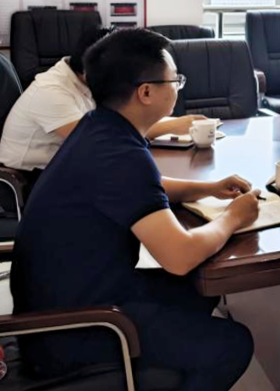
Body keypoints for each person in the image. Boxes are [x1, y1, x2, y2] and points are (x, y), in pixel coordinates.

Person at [11, 28, 259, 390]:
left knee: (197, 290)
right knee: (232, 345)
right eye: (175, 80)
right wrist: (233, 218)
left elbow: (140, 186)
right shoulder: (119, 152)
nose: (178, 87)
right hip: (74, 328)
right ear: (146, 92)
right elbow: (179, 256)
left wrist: (207, 188)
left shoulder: (99, 129)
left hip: (64, 300)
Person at [0, 27, 202, 174]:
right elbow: (98, 138)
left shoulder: (86, 82)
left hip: (69, 163)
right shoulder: (51, 92)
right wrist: (174, 126)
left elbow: (117, 125)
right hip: (29, 176)